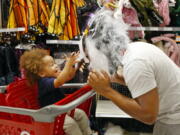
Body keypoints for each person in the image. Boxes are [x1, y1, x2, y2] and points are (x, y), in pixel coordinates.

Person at [80, 8, 180, 135]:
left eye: (91, 57)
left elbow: (149, 116)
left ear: (103, 50)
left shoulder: (135, 63)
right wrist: (113, 80)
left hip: (174, 120)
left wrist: (106, 90)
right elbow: (148, 84)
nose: (92, 64)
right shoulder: (134, 49)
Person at [20, 49, 92, 135]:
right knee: (70, 125)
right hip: (51, 115)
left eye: (54, 63)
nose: (56, 66)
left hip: (61, 111)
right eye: (51, 65)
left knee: (81, 114)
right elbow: (60, 81)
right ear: (42, 73)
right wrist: (68, 64)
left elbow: (68, 76)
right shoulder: (43, 82)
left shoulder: (52, 77)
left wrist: (75, 65)